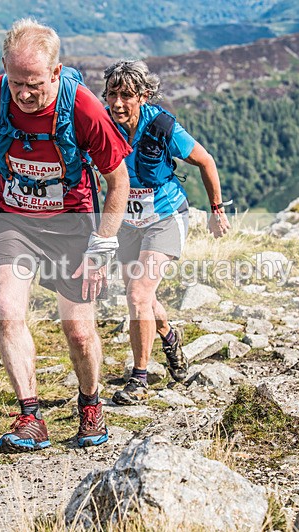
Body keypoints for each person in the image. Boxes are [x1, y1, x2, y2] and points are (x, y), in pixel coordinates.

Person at [0, 19, 131, 452]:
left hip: (72, 222)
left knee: (77, 329)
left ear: (56, 73)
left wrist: (102, 247)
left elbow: (118, 181)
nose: (23, 93)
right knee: (7, 309)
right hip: (14, 219)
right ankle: (30, 417)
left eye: (35, 84)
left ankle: (90, 405)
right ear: (5, 66)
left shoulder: (83, 108)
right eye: (16, 81)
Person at [102, 60, 231, 405]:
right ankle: (170, 337)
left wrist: (216, 210)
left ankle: (139, 379)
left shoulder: (162, 126)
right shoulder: (102, 125)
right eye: (113, 94)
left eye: (127, 95)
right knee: (142, 295)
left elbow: (206, 161)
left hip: (165, 216)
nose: (118, 103)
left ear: (144, 95)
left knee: (137, 296)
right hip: (126, 222)